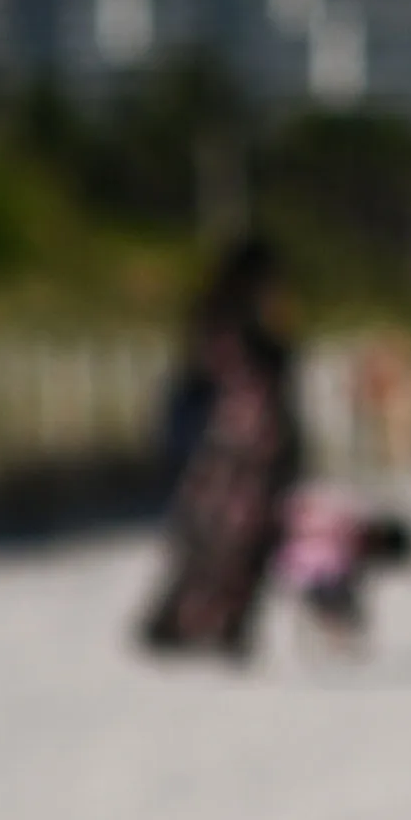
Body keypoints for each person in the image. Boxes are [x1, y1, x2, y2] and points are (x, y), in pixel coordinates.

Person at [137, 235, 300, 659]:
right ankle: (204, 624)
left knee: (218, 539)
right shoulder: (240, 323)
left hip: (234, 449)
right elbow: (249, 379)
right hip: (232, 448)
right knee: (224, 540)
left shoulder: (214, 318)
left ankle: (194, 623)